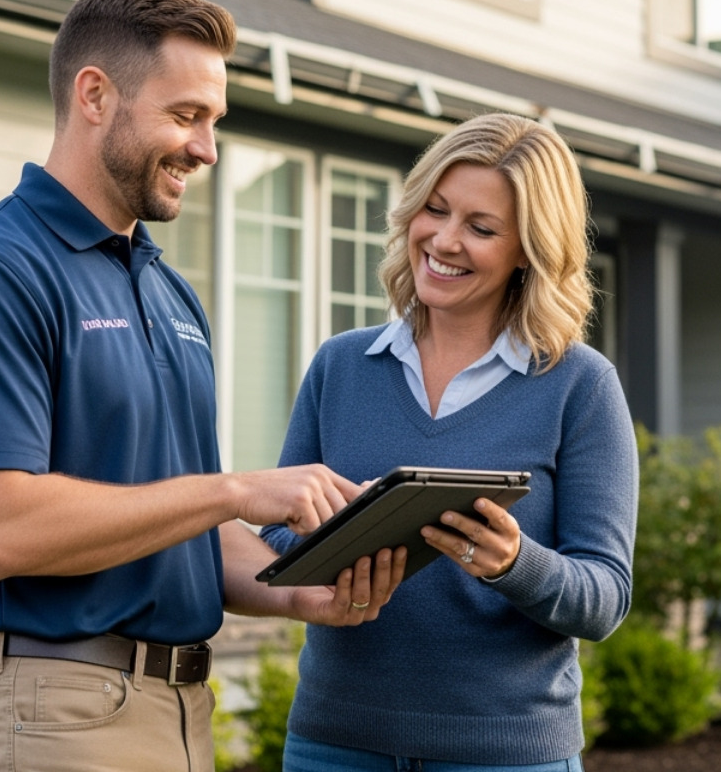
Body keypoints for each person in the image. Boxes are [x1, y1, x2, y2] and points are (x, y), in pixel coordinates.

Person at [0, 0, 404, 772]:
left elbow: (181, 527)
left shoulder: (168, 291)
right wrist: (236, 490)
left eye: (213, 122)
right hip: (50, 715)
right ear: (95, 95)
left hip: (178, 713)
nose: (206, 149)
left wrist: (296, 592)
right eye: (185, 115)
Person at [260, 113, 638, 770]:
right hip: (336, 743)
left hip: (505, 752)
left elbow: (604, 598)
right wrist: (340, 530)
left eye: (481, 228)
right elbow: (274, 543)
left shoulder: (579, 385)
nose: (445, 239)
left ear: (529, 248)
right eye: (434, 210)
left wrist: (512, 562)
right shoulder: (342, 366)